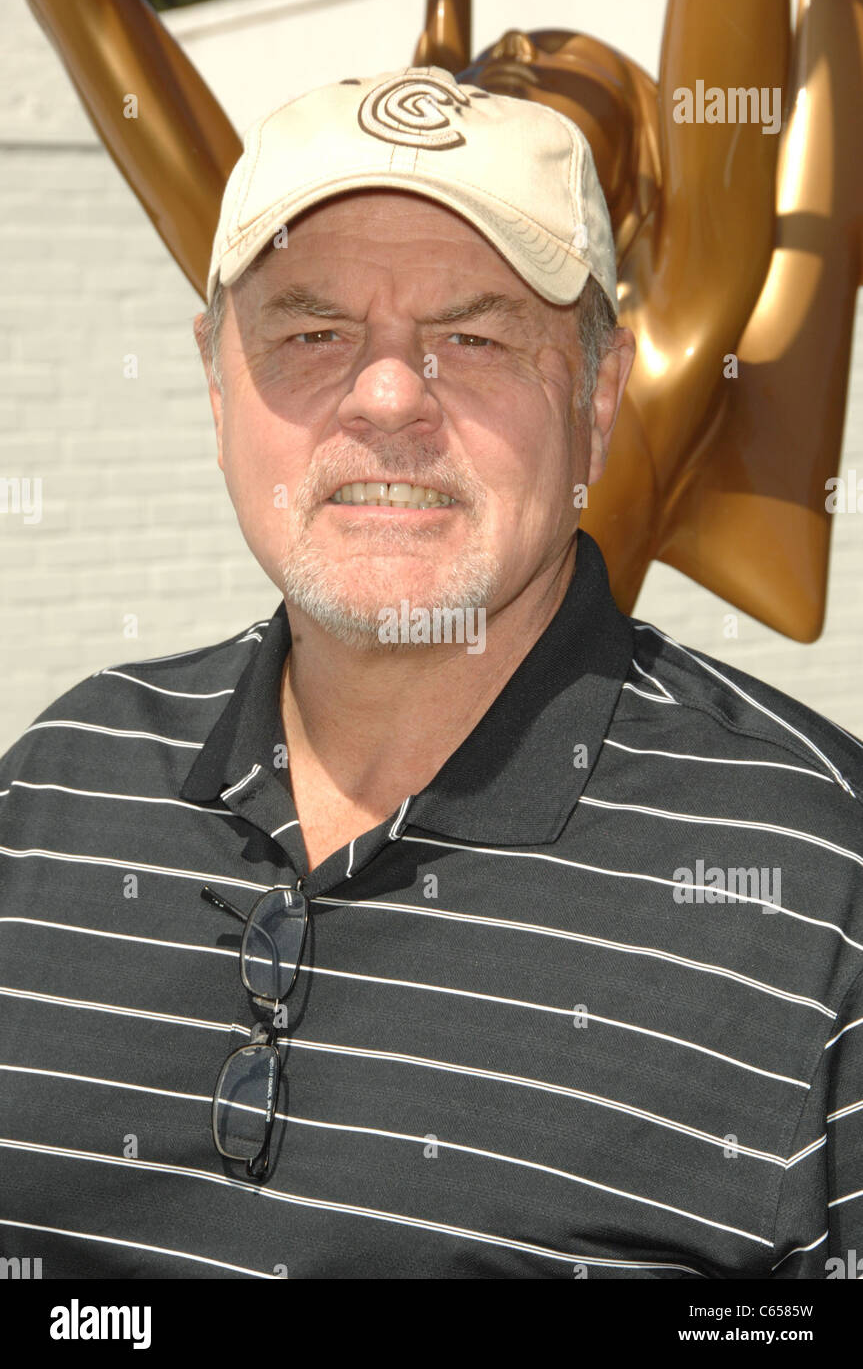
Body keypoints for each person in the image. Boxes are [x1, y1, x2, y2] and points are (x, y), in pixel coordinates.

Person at [0, 66, 860, 1281]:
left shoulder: (817, 885)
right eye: (311, 332)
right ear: (213, 383)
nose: (390, 394)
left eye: (472, 334)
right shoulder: (53, 794)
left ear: (599, 393)